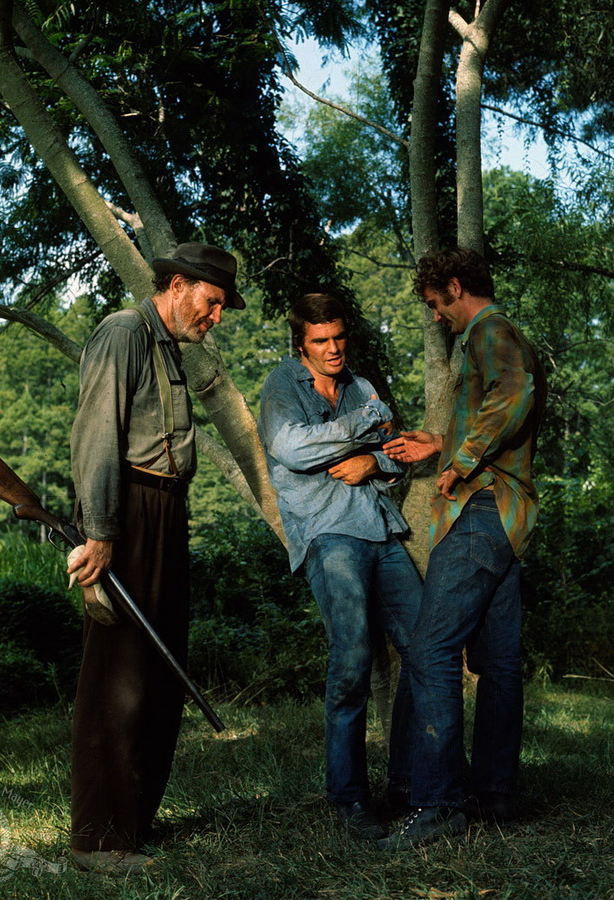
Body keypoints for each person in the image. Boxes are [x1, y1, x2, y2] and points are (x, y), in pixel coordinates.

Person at [67, 243, 245, 873]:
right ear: (177, 286)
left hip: (166, 511)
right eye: (212, 302)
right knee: (118, 675)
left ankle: (133, 825)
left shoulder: (169, 347)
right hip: (128, 512)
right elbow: (96, 436)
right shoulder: (124, 332)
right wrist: (100, 532)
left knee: (161, 671)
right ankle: (98, 840)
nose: (215, 317)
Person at [379, 248, 547, 849]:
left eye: (434, 303)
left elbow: (515, 391)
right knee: (498, 660)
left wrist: (462, 460)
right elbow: (504, 409)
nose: (435, 316)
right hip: (508, 515)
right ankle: (494, 795)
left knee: (430, 651)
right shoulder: (501, 334)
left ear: (455, 287)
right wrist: (441, 443)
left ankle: (436, 803)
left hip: (480, 511)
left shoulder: (489, 330)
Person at [257, 294, 423, 842]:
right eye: (320, 341)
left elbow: (397, 451)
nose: (333, 349)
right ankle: (349, 797)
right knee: (352, 658)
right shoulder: (282, 386)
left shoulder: (360, 383)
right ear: (301, 344)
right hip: (329, 535)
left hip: (382, 529)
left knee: (425, 646)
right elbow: (293, 450)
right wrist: (366, 423)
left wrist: (372, 459)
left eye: (339, 337)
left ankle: (407, 782)